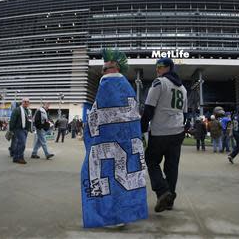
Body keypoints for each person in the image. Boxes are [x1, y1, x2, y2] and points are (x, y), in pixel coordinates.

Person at [80, 48, 147, 228]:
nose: (103, 72)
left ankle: (109, 216)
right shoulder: (127, 87)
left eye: (104, 68)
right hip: (126, 144)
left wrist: (89, 134)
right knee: (123, 179)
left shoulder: (107, 84)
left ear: (113, 68)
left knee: (101, 175)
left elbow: (95, 119)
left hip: (105, 146)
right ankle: (124, 214)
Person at [141, 57, 187, 213]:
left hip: (160, 131)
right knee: (172, 166)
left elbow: (148, 109)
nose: (157, 69)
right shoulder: (183, 89)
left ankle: (162, 192)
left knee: (151, 160)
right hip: (178, 131)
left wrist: (141, 129)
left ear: (168, 67)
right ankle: (170, 200)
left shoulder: (159, 83)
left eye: (159, 66)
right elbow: (185, 113)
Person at [9, 98, 32, 164]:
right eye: (25, 102)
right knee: (22, 144)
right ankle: (20, 157)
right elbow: (12, 120)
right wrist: (11, 129)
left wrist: (30, 128)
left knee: (19, 144)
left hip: (25, 129)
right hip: (18, 129)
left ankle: (15, 157)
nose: (26, 103)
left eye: (27, 102)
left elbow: (29, 120)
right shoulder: (17, 110)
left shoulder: (29, 111)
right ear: (22, 102)